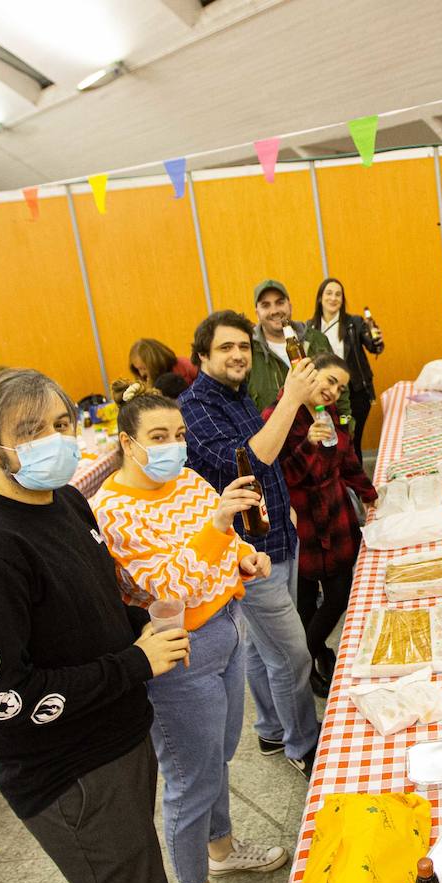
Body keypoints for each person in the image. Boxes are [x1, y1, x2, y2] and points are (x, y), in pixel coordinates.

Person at [0, 368, 191, 883]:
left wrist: (140, 625)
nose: (54, 440)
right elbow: (2, 701)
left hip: (115, 739)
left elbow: (88, 609)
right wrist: (134, 663)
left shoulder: (66, 501)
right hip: (70, 772)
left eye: (60, 425)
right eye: (30, 431)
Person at [92, 382, 288, 883]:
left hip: (225, 627)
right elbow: (164, 583)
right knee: (189, 776)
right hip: (179, 650)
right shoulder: (114, 508)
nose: (172, 446)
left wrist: (246, 558)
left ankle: (221, 848)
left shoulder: (187, 480)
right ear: (128, 444)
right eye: (158, 437)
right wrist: (221, 526)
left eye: (178, 435)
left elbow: (222, 550)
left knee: (219, 754)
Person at [181, 309, 322, 779]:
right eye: (226, 347)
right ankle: (304, 745)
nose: (238, 354)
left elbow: (270, 450)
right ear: (202, 355)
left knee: (265, 650)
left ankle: (271, 728)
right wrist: (293, 399)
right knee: (292, 653)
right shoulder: (195, 408)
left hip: (279, 533)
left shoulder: (237, 397)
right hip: (248, 555)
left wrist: (287, 508)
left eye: (243, 346)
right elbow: (248, 460)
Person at [263, 353, 377, 696]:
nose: (333, 390)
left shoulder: (329, 415)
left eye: (340, 387)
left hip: (335, 516)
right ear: (309, 373)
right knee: (307, 602)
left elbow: (347, 461)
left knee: (339, 594)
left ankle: (308, 657)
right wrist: (308, 443)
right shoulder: (277, 414)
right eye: (329, 380)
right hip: (302, 521)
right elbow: (282, 475)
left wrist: (369, 494)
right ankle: (303, 665)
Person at [303, 277, 384, 459]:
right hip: (324, 395)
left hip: (355, 394)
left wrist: (376, 340)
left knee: (351, 440)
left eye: (338, 294)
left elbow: (374, 346)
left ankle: (356, 480)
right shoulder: (309, 328)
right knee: (329, 442)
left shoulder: (354, 323)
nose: (333, 298)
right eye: (329, 293)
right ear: (320, 298)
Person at [244, 279, 344, 423]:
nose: (274, 311)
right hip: (277, 443)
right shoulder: (248, 352)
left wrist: (346, 427)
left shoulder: (318, 340)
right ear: (257, 312)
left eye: (280, 302)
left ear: (289, 306)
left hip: (323, 437)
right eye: (266, 305)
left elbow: (341, 389)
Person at [128, 338, 198, 388]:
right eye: (138, 369)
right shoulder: (144, 383)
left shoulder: (185, 365)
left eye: (143, 368)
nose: (141, 374)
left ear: (155, 362)